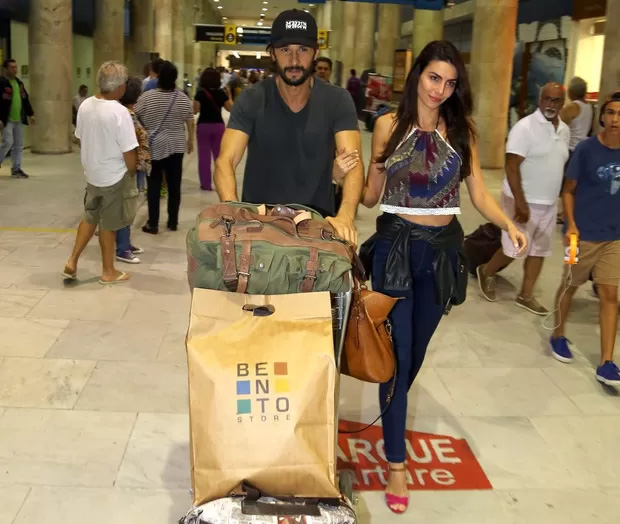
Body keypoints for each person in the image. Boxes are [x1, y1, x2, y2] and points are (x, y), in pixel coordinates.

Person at [360, 41, 527, 514]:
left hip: (442, 254)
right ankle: (396, 463)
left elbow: (479, 193)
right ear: (418, 74)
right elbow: (371, 196)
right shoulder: (388, 126)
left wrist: (508, 223)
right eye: (434, 78)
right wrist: (341, 175)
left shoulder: (461, 130)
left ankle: (390, 412)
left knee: (412, 359)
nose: (440, 90)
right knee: (398, 360)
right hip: (395, 250)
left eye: (450, 83)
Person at [215, 9, 362, 245]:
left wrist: (346, 215)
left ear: (315, 52)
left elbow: (354, 164)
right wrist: (233, 209)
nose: (294, 60)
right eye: (285, 50)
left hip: (316, 228)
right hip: (260, 229)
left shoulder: (337, 100)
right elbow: (226, 160)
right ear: (272, 53)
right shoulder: (252, 99)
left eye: (303, 49)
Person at [476, 83, 569, 314]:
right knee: (514, 248)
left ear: (563, 102)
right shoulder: (525, 128)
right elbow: (511, 165)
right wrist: (520, 201)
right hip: (521, 200)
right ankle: (486, 271)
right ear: (540, 99)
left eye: (556, 100)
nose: (550, 104)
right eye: (546, 99)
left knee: (539, 251)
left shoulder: (564, 130)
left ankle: (525, 295)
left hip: (548, 203)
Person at [550, 91, 620, 385]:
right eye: (611, 113)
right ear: (602, 116)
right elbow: (568, 190)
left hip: (614, 236)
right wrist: (571, 225)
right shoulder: (587, 149)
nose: (616, 119)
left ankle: (607, 362)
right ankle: (557, 334)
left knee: (610, 295)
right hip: (583, 234)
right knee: (570, 285)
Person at [62, 61, 138, 284]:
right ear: (120, 86)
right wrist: (132, 171)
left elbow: (80, 137)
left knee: (90, 216)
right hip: (114, 176)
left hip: (92, 174)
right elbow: (129, 150)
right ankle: (108, 271)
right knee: (109, 225)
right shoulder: (119, 112)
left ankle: (72, 260)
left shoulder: (86, 105)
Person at [136, 60, 194, 234]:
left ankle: (153, 223)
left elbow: (135, 115)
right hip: (176, 145)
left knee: (154, 184)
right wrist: (190, 140)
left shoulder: (147, 97)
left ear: (159, 77)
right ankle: (173, 221)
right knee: (174, 185)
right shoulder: (182, 98)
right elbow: (189, 119)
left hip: (155, 145)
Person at [115, 76, 150, 264]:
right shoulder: (125, 115)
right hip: (130, 167)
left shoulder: (129, 112)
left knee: (129, 207)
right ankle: (122, 248)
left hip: (135, 165)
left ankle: (125, 242)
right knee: (126, 207)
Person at [194, 68, 233, 191]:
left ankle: (206, 184)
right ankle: (220, 182)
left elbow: (195, 110)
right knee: (219, 156)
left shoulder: (200, 93)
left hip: (203, 126)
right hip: (218, 126)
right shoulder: (221, 93)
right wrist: (229, 95)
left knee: (204, 156)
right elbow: (230, 108)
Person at [0, 58, 35, 178]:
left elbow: (25, 99)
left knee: (19, 145)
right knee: (7, 142)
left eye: (15, 67)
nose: (15, 70)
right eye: (12, 67)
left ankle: (16, 168)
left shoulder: (19, 83)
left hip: (18, 119)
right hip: (6, 119)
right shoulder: (1, 83)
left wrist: (31, 114)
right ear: (5, 69)